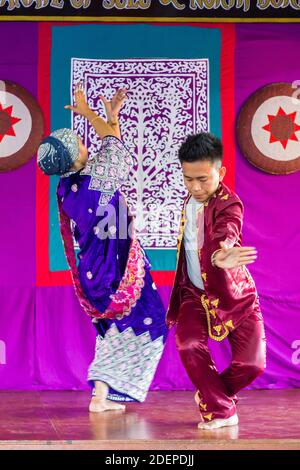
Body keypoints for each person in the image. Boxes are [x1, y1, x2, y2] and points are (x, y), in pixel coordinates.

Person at [37, 85, 167, 412]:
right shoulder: (96, 179)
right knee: (150, 323)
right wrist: (92, 114)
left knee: (113, 331)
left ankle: (102, 394)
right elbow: (113, 146)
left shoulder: (69, 187)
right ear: (72, 157)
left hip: (96, 271)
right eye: (80, 144)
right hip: (115, 270)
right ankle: (100, 395)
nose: (86, 145)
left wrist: (112, 117)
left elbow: (113, 147)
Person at [166, 132, 266, 430]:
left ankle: (212, 397)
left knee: (253, 365)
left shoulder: (229, 204)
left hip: (234, 293)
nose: (195, 187)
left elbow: (228, 229)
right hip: (193, 293)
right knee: (187, 343)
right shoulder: (189, 201)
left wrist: (223, 252)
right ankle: (222, 410)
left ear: (219, 173)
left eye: (203, 179)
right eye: (188, 179)